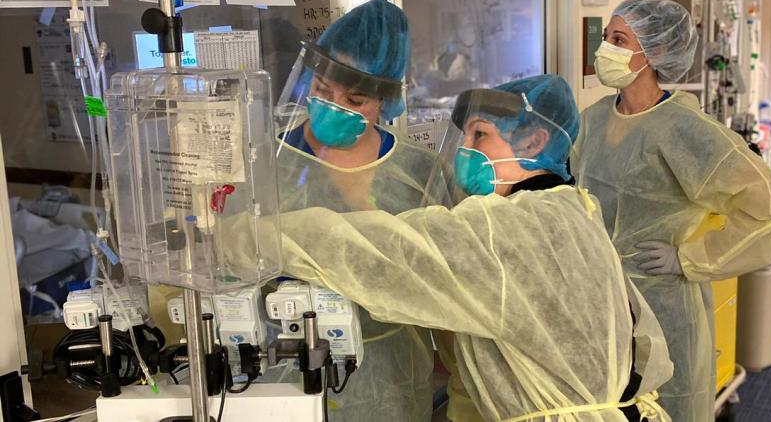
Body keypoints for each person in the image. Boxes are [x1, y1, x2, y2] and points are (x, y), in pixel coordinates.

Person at [237, 75, 676, 421]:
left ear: (533, 143)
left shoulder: (507, 229)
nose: (463, 151)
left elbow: (377, 253)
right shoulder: (570, 206)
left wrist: (244, 238)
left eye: (480, 136)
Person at [571, 0, 771, 422]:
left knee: (665, 406)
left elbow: (770, 209)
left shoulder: (686, 129)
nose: (606, 51)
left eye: (619, 40)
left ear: (654, 54)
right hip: (600, 299)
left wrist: (688, 258)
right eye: (606, 39)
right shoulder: (593, 120)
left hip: (662, 300)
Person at [274, 0, 451, 422]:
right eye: (322, 90)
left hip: (390, 375)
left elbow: (443, 279)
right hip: (287, 365)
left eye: (355, 100)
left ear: (384, 103)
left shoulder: (416, 172)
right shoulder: (272, 159)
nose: (334, 106)